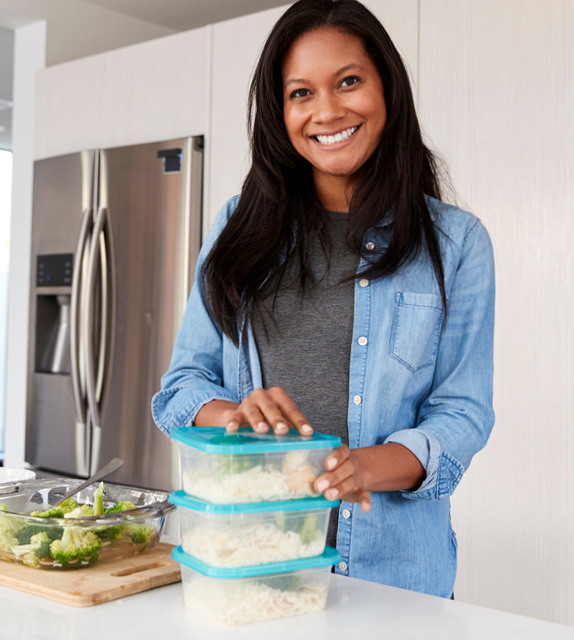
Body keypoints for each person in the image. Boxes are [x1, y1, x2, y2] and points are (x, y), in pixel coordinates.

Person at [152, 0, 495, 597]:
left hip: (395, 580)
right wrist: (237, 418)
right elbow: (182, 386)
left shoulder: (456, 243)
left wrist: (361, 466)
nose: (327, 111)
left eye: (348, 82)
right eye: (300, 93)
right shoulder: (238, 225)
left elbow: (463, 412)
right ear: (280, 111)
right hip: (253, 566)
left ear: (387, 88)